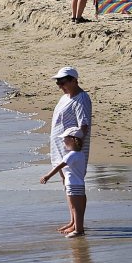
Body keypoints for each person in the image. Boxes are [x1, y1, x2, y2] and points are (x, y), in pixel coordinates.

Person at [47, 67, 92, 236]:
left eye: (63, 82)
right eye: (58, 82)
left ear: (74, 80)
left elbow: (84, 126)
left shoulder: (81, 99)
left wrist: (75, 148)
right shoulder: (65, 97)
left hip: (73, 150)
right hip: (61, 148)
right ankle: (73, 221)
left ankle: (78, 225)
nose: (60, 85)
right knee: (67, 185)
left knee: (75, 186)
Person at [39, 127, 88, 237]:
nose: (63, 141)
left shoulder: (71, 155)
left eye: (65, 139)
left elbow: (59, 166)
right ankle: (77, 227)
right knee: (79, 208)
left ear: (72, 140)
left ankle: (78, 231)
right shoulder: (81, 154)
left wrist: (47, 176)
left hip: (73, 185)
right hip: (80, 184)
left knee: (75, 208)